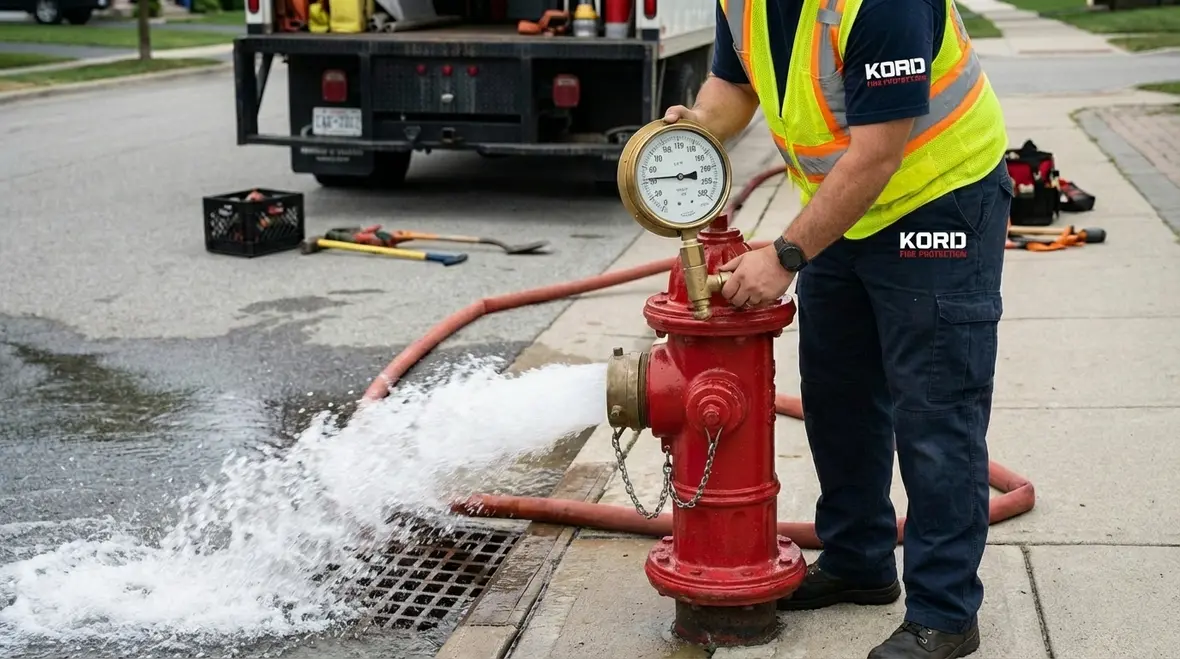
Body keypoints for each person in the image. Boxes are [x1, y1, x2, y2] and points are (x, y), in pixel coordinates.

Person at [662, 1, 1012, 658]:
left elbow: (880, 152)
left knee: (935, 411)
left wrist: (785, 255)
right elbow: (733, 84)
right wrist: (698, 128)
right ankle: (860, 560)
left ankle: (944, 611)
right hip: (845, 206)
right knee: (838, 392)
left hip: (937, 196)